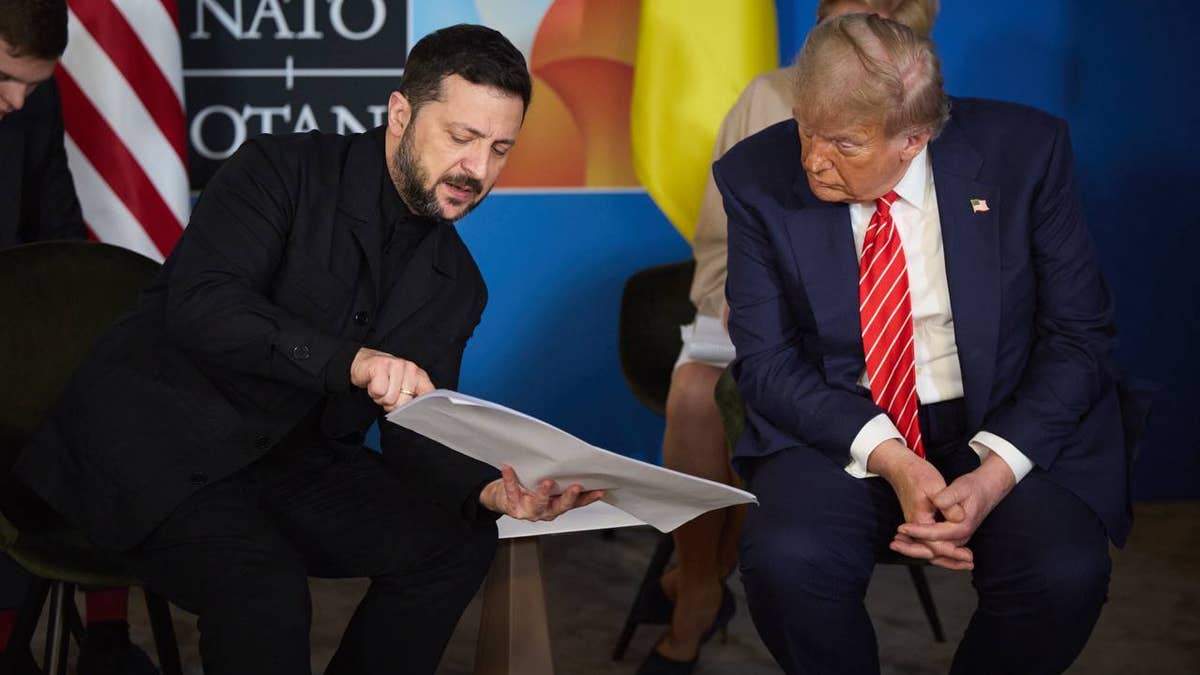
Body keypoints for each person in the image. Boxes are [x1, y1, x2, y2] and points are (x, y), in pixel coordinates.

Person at [14, 23, 603, 675]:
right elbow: (202, 304)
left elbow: (415, 432)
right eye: (461, 138)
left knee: (459, 544)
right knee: (263, 591)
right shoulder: (280, 169)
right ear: (400, 113)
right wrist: (351, 360)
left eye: (500, 148)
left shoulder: (457, 283)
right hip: (159, 436)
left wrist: (492, 491)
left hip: (286, 461)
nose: (478, 171)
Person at [718, 13, 1135, 674]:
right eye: (806, 128)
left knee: (1063, 572)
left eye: (844, 144)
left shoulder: (1026, 154)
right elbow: (767, 364)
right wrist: (898, 462)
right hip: (843, 418)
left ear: (913, 139)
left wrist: (994, 473)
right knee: (785, 561)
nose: (812, 160)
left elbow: (1079, 339)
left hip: (1003, 412)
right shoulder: (755, 176)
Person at [642, 2, 938, 673]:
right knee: (698, 392)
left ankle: (720, 569)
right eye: (826, 21)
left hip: (869, 335)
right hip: (745, 309)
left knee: (772, 407)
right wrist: (745, 312)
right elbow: (717, 242)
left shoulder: (929, 114)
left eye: (856, 25)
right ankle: (697, 591)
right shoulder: (767, 97)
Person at [0, 2, 158, 673]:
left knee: (112, 390)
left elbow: (57, 229)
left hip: (11, 335)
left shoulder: (34, 98)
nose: (17, 100)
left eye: (33, 86)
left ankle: (106, 636)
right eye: (4, 77)